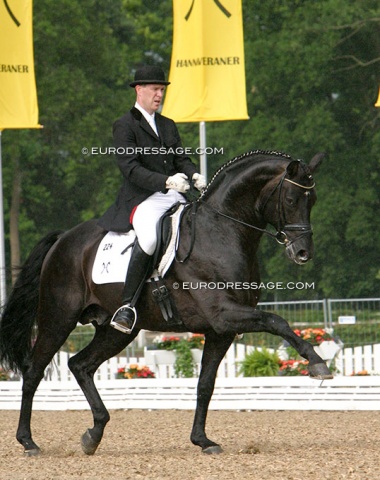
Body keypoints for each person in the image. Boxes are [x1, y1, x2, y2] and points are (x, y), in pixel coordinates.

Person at [98, 65, 206, 334]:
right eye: (155, 89)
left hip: (174, 194)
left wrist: (194, 175)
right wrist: (165, 181)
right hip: (142, 198)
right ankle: (127, 306)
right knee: (149, 239)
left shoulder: (168, 125)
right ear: (139, 90)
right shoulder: (125, 125)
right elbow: (130, 168)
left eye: (162, 90)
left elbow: (180, 158)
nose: (159, 95)